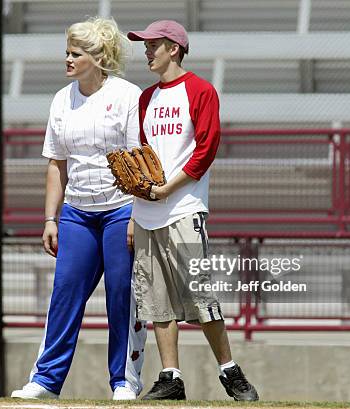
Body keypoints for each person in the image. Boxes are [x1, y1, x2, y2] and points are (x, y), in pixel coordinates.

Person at [11, 17, 147, 401]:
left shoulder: (126, 95)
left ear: (98, 57)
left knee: (123, 295)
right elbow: (56, 163)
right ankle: (46, 381)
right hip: (77, 212)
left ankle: (124, 381)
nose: (67, 59)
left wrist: (138, 215)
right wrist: (50, 218)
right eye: (66, 52)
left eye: (75, 53)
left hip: (121, 209)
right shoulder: (61, 99)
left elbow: (139, 161)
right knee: (65, 294)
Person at [126, 20, 259, 401]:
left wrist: (167, 188)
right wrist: (137, 209)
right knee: (156, 299)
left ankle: (229, 371)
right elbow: (143, 158)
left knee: (200, 296)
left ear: (175, 48)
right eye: (146, 45)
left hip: (184, 208)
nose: (147, 52)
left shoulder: (201, 91)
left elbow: (205, 150)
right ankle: (171, 377)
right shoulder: (145, 97)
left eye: (154, 45)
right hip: (148, 212)